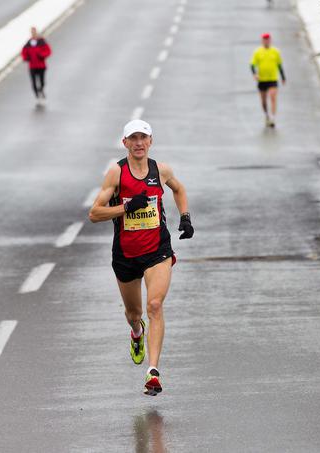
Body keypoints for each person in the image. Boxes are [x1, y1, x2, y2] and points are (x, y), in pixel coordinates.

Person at [88, 119, 194, 396]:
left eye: (143, 138)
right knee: (134, 314)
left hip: (157, 250)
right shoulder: (116, 174)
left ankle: (153, 371)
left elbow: (179, 189)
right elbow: (94, 213)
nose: (138, 143)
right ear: (125, 143)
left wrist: (185, 217)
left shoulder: (161, 170)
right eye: (133, 138)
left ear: (150, 141)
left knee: (155, 304)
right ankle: (137, 332)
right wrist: (125, 208)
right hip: (125, 253)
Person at [250, 33, 286, 127]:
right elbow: (252, 65)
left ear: (270, 40)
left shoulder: (275, 51)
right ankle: (266, 115)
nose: (266, 41)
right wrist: (255, 74)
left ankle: (273, 118)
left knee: (273, 97)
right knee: (263, 101)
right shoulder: (258, 52)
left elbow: (279, 65)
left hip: (272, 79)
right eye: (265, 40)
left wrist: (283, 77)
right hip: (262, 79)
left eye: (268, 40)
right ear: (262, 41)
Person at [21, 27, 51, 101]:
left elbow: (48, 51)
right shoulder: (28, 43)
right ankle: (37, 94)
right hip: (32, 66)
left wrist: (42, 55)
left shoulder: (42, 42)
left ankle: (41, 90)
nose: (34, 34)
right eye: (32, 32)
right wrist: (26, 58)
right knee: (34, 82)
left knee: (42, 81)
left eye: (34, 32)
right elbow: (23, 52)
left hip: (41, 65)